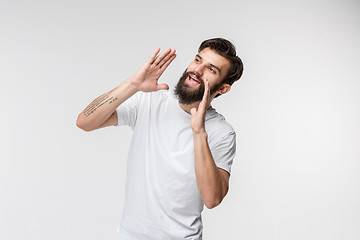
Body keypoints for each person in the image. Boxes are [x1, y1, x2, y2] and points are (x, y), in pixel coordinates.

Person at [76, 38, 244, 239]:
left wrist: (199, 133)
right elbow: (85, 122)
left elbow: (212, 199)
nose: (197, 70)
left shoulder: (221, 132)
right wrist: (133, 85)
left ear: (223, 88)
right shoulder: (150, 100)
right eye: (198, 60)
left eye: (211, 70)